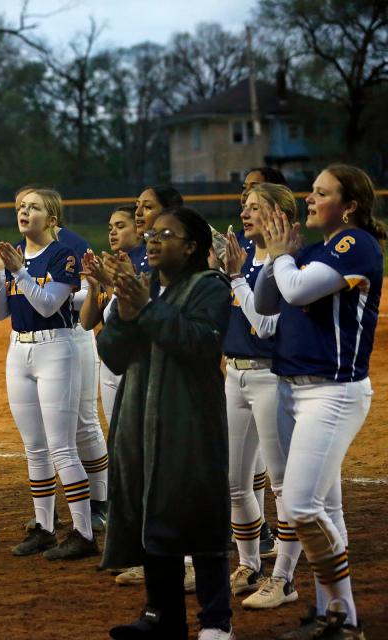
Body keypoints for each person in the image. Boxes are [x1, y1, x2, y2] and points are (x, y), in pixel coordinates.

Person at [255, 165, 384, 639]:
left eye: (321, 193)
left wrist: (280, 258)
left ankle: (343, 616)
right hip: (295, 390)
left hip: (332, 391)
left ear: (348, 206)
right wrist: (275, 257)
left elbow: (294, 289)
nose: (310, 198)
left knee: (303, 508)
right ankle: (336, 616)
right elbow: (268, 303)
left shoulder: (355, 243)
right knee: (324, 510)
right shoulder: (313, 249)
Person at [98, 206, 233, 639]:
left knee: (198, 513)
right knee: (152, 513)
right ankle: (162, 617)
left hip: (189, 422)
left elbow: (199, 342)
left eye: (166, 234)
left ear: (191, 247)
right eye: (151, 233)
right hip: (140, 422)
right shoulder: (147, 291)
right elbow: (113, 357)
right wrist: (123, 309)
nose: (153, 240)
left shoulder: (209, 287)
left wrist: (146, 310)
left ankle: (216, 621)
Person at [0, 188, 99, 560]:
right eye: (20, 206)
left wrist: (18, 270)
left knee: (62, 446)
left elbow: (49, 306)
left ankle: (83, 532)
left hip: (56, 348)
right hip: (19, 348)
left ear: (52, 220)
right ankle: (45, 528)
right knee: (34, 448)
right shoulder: (14, 255)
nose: (24, 211)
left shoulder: (62, 255)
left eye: (34, 207)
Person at [222, 183, 304, 609]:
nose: (246, 213)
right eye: (244, 206)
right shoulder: (243, 256)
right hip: (233, 375)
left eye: (255, 207)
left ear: (279, 216)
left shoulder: (283, 263)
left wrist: (234, 276)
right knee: (235, 482)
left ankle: (284, 578)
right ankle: (249, 564)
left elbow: (265, 324)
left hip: (273, 378)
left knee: (282, 485)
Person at [78, 204, 140, 428]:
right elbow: (86, 322)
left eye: (120, 226)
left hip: (137, 364)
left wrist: (110, 283)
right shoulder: (110, 266)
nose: (112, 232)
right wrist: (95, 287)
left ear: (138, 229)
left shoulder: (146, 265)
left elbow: (132, 312)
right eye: (110, 227)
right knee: (116, 438)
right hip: (109, 364)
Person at [129, 186, 184, 273]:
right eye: (137, 206)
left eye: (148, 207)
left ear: (169, 211)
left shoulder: (176, 256)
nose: (137, 212)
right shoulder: (133, 255)